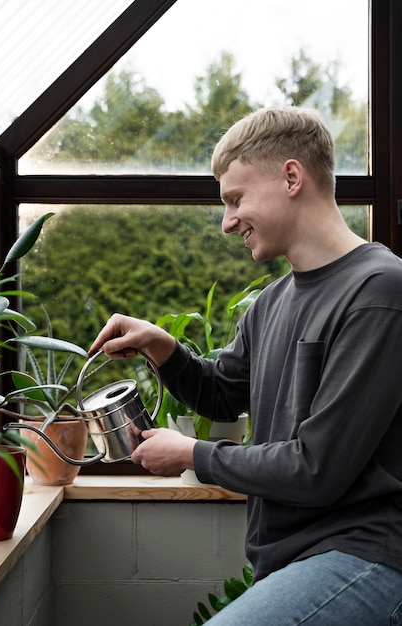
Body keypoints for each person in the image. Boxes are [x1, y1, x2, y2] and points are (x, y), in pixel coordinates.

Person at [89, 107, 402, 625]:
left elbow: (316, 469)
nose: (227, 221)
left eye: (236, 199)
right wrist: (163, 346)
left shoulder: (380, 291)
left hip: (366, 555)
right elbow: (219, 394)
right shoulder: (271, 303)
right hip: (290, 560)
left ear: (292, 177)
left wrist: (192, 453)